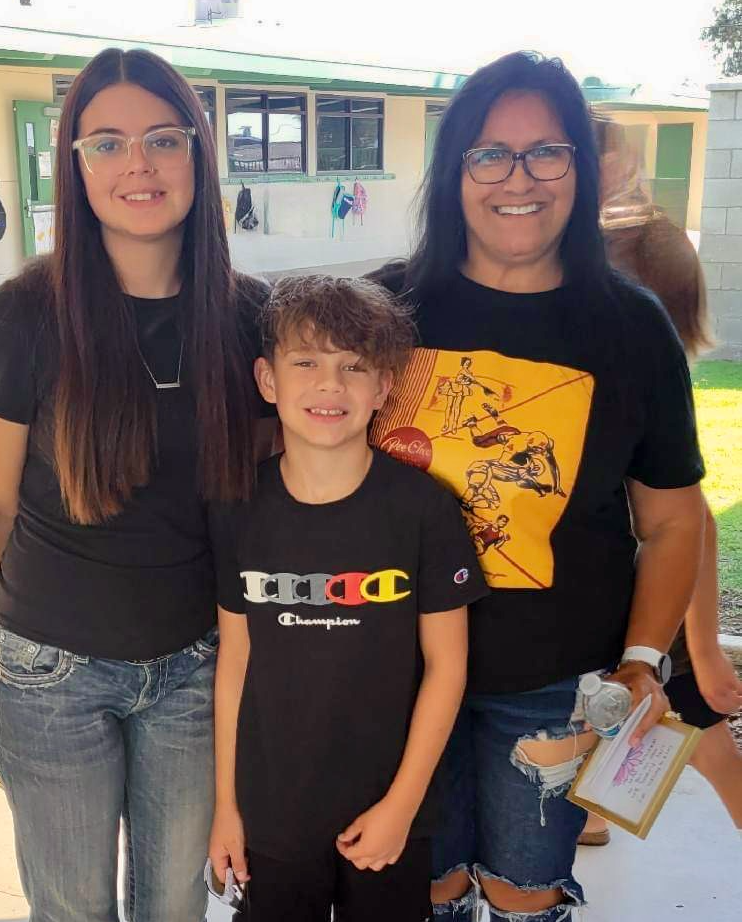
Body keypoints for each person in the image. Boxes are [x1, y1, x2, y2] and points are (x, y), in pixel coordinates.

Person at [369, 51, 706, 921]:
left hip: (555, 685)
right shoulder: (382, 313)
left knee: (527, 897)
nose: (518, 178)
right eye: (489, 154)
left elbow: (671, 521)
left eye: (546, 152)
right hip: (393, 674)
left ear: (582, 170)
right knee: (425, 893)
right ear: (454, 175)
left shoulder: (634, 328)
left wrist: (639, 663)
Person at [0, 48, 270, 922]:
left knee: (175, 909)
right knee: (72, 911)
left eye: (163, 139)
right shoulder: (24, 315)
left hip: (194, 672)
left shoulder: (248, 319)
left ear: (198, 156)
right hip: (48, 672)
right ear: (77, 165)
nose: (138, 163)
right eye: (107, 143)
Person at [207, 275, 488, 921]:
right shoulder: (236, 509)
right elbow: (234, 664)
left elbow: (447, 668)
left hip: (390, 813)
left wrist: (403, 805)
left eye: (353, 367)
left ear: (384, 387)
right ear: (267, 379)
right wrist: (227, 806)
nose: (329, 385)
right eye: (305, 362)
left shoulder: (422, 510)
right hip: (272, 812)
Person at [575, 118, 742, 844]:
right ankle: (588, 819)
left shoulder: (655, 405)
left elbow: (690, 521)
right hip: (601, 610)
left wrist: (704, 648)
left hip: (655, 617)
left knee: (708, 746)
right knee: (590, 715)